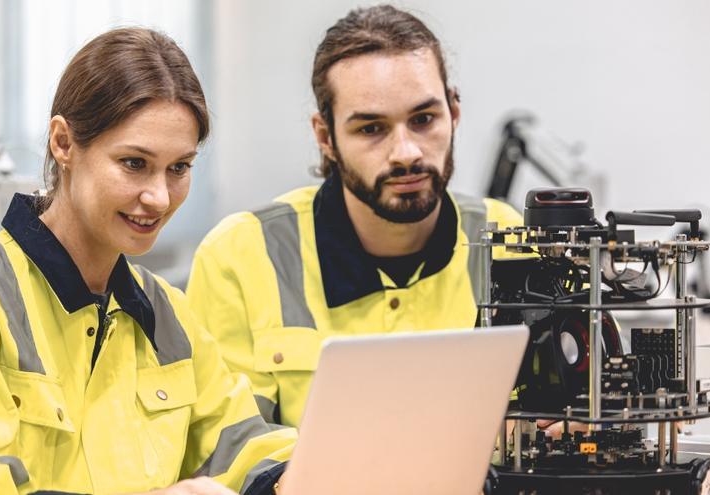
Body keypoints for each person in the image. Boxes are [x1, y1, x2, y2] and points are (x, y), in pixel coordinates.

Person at [0, 28, 294, 495]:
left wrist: (295, 474)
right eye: (134, 163)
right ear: (63, 143)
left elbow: (242, 443)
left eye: (179, 167)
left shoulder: (167, 314)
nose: (158, 197)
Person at [186, 5, 524, 428]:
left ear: (453, 113)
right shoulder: (238, 256)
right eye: (371, 129)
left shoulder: (510, 242)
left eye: (423, 119)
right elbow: (224, 440)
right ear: (326, 137)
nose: (406, 152)